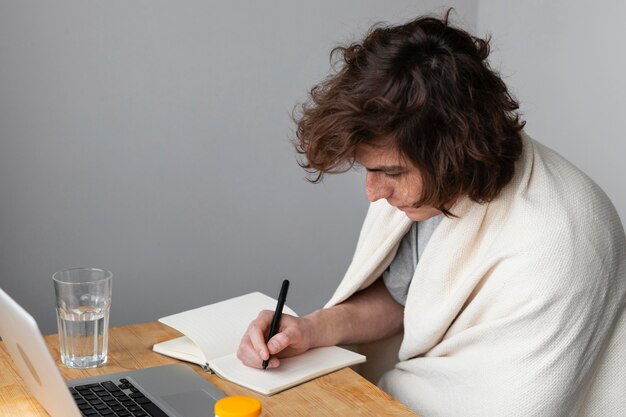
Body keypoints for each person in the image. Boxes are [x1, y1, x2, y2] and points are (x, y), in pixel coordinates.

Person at [236, 10, 626, 416]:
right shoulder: (439, 191)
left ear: (454, 152)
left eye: (390, 172)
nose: (373, 193)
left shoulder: (557, 245)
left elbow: (514, 404)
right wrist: (311, 329)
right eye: (368, 170)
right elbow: (404, 298)